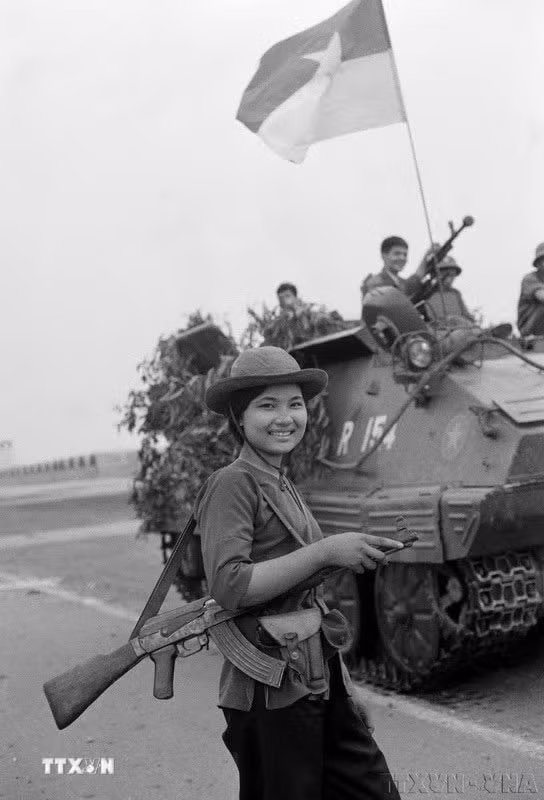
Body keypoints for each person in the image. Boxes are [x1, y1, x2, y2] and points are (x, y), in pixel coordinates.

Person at [195, 345, 403, 800]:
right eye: (267, 406)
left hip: (315, 675)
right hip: (271, 689)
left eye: (294, 404)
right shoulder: (233, 483)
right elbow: (229, 586)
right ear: (238, 416)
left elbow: (309, 601)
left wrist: (345, 688)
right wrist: (326, 551)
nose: (285, 417)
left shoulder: (280, 480)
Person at [361, 236, 438, 308]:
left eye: (405, 255)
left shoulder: (401, 282)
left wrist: (427, 255)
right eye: (397, 254)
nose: (402, 258)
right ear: (384, 256)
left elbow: (416, 278)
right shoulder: (375, 283)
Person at [420, 255, 474, 322]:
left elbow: (468, 317)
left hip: (459, 327)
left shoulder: (455, 294)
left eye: (453, 274)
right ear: (434, 274)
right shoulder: (425, 295)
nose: (450, 278)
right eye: (446, 273)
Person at [517, 243, 544, 336]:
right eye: (542, 260)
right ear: (538, 263)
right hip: (529, 327)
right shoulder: (530, 279)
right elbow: (542, 296)